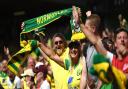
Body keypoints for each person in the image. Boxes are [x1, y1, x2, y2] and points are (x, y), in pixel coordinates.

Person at [73, 6, 128, 88]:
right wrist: (80, 23)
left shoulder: (106, 44)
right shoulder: (112, 59)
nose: (122, 40)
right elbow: (95, 42)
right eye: (119, 38)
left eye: (125, 38)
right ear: (115, 44)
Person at [72, 6, 103, 88]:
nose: (83, 31)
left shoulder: (105, 45)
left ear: (93, 29)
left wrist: (79, 22)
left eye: (86, 28)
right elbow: (84, 75)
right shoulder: (87, 48)